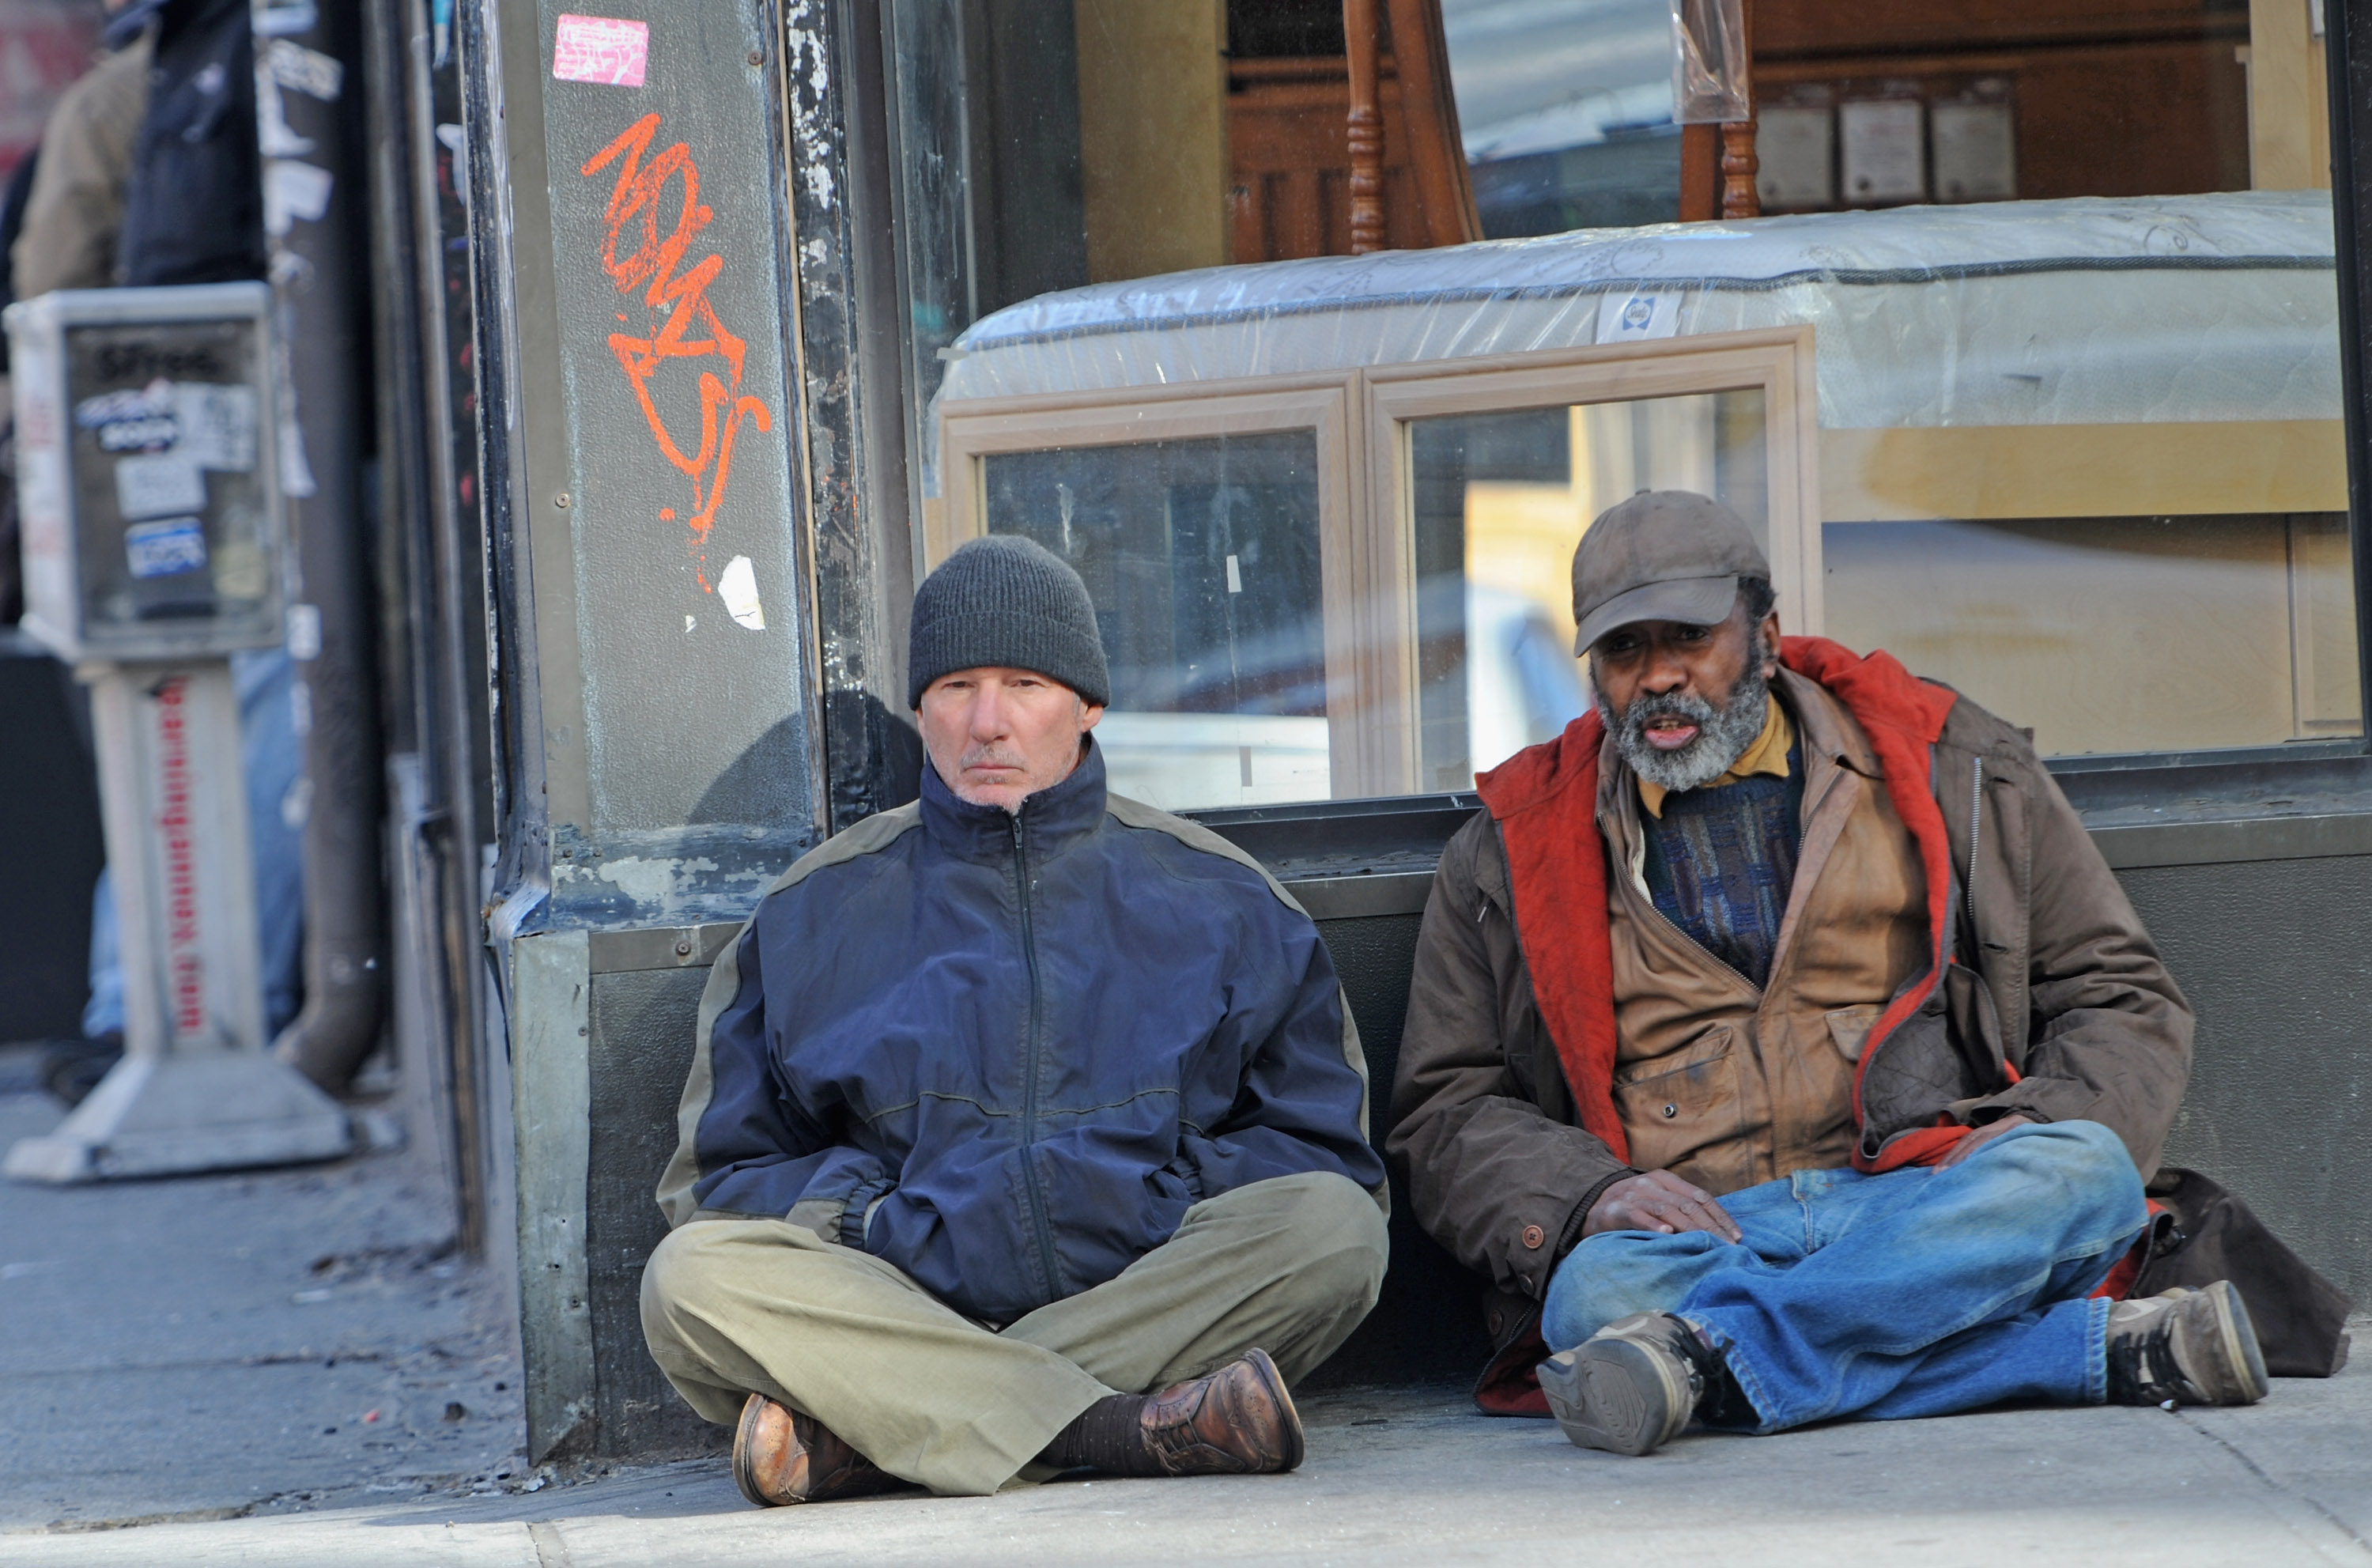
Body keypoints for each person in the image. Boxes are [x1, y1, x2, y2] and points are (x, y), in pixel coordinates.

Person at [1389, 489, 2266, 1459]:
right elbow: (1448, 1110)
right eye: (1625, 651)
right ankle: (2072, 1353)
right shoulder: (1506, 853)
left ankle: (1704, 1360)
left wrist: (2018, 1127)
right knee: (1591, 1296)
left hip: (1926, 1196)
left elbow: (2120, 998)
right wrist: (1589, 1196)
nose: (1660, 677)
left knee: (2084, 1168)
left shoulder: (1953, 766)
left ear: (1764, 636)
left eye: (1691, 637)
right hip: (1702, 1239)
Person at [640, 535, 1390, 1503]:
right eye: (956, 688)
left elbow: (1327, 1155)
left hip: (1146, 1288)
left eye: (1025, 684)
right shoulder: (810, 912)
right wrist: (874, 1215)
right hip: (898, 1296)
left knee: (1335, 1235)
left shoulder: (1222, 898)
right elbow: (718, 1184)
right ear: (920, 709)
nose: (987, 723)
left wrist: (1164, 1195)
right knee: (690, 1283)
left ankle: (888, 1431)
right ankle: (1113, 1428)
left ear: (1088, 705)